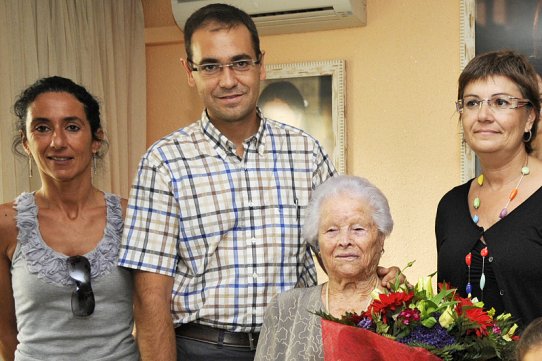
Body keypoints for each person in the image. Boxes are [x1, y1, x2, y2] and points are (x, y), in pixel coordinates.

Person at [118, 3, 401, 361]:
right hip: (202, 349)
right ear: (189, 72)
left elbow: (340, 250)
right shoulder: (163, 163)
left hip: (295, 344)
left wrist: (381, 279)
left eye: (240, 62)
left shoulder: (306, 153)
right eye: (210, 66)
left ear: (260, 63)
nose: (228, 80)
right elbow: (149, 296)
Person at [0, 76, 139, 360]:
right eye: (42, 128)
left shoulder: (132, 217)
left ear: (96, 140)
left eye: (72, 127)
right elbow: (5, 332)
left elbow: (152, 313)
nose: (58, 142)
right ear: (26, 142)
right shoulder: (5, 223)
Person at [436, 50, 542, 330]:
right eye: (472, 103)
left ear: (529, 117)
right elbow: (445, 308)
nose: (483, 115)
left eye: (500, 102)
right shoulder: (450, 205)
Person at [254, 175, 393, 361]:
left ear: (381, 237)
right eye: (331, 230)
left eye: (358, 229)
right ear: (318, 242)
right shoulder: (285, 309)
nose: (344, 241)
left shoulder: (407, 309)